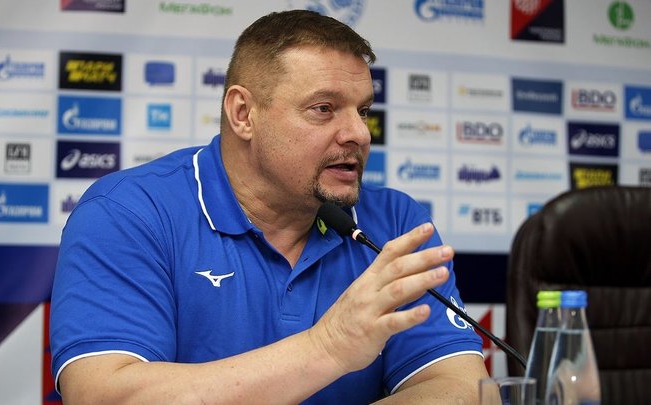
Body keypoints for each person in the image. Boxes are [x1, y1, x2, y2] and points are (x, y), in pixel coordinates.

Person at [49, 9, 488, 404]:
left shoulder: (395, 223)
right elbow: (103, 396)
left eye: (363, 110)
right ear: (243, 114)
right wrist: (326, 347)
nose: (359, 133)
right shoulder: (128, 213)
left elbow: (461, 388)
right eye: (324, 108)